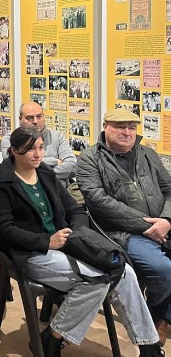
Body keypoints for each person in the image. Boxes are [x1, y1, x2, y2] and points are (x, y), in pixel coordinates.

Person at [0, 126, 162, 356]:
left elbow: (74, 209)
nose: (38, 154)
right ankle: (53, 337)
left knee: (124, 270)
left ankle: (148, 346)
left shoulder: (45, 173)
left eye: (40, 148)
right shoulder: (1, 182)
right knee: (99, 279)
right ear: (13, 151)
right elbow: (2, 230)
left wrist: (76, 233)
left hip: (65, 243)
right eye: (30, 150)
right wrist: (46, 241)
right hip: (30, 252)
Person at [77, 108, 171, 345]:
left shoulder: (147, 154)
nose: (127, 132)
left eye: (131, 127)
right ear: (105, 126)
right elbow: (99, 202)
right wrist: (147, 226)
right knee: (163, 269)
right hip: (119, 232)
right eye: (120, 126)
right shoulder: (89, 159)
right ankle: (155, 317)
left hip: (160, 225)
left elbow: (169, 190)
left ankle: (160, 315)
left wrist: (166, 221)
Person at [1, 101, 76, 185]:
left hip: (59, 192)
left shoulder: (57, 137)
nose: (35, 121)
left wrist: (34, 170)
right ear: (20, 119)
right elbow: (14, 166)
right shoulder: (9, 139)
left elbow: (72, 167)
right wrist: (54, 161)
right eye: (30, 118)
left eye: (39, 116)